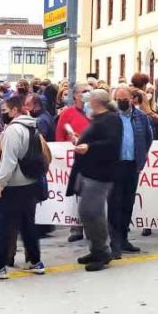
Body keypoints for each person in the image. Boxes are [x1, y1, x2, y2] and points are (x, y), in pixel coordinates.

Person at [0, 95, 45, 280]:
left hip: (13, 185)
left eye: (4, 111)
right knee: (27, 224)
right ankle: (34, 261)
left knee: (3, 227)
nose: (2, 114)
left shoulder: (13, 131)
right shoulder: (32, 127)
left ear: (15, 110)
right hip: (29, 183)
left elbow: (9, 161)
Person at [66, 89, 122, 272]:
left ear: (97, 101)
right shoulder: (97, 119)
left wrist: (88, 147)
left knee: (93, 212)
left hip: (100, 174)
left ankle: (102, 251)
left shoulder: (111, 119)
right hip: (88, 172)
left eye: (89, 100)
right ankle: (95, 248)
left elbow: (112, 146)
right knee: (86, 212)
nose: (86, 103)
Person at [108, 86, 153, 259]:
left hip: (133, 165)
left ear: (132, 99)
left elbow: (148, 138)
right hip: (115, 165)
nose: (122, 102)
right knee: (114, 204)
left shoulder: (141, 117)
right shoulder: (111, 116)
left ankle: (124, 238)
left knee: (128, 203)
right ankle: (114, 243)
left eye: (125, 99)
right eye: (118, 99)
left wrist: (140, 156)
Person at [55, 82, 92, 242]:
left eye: (90, 91)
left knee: (91, 196)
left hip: (94, 159)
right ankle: (76, 228)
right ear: (76, 95)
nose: (88, 94)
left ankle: (92, 229)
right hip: (74, 161)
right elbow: (59, 135)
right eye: (84, 91)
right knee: (77, 195)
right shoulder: (67, 113)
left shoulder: (97, 113)